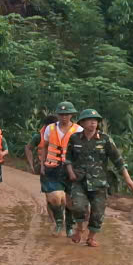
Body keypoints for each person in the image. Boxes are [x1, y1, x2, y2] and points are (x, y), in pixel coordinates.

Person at [65, 108, 133, 247]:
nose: (93, 123)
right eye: (89, 121)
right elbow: (67, 158)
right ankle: (79, 229)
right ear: (82, 123)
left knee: (98, 212)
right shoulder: (74, 138)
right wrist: (71, 173)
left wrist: (128, 179)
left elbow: (118, 161)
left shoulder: (105, 139)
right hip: (79, 180)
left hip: (99, 182)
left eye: (95, 121)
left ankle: (91, 237)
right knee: (78, 206)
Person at [38, 101, 82, 237]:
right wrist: (42, 163)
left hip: (70, 169)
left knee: (70, 200)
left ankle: (69, 226)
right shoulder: (50, 128)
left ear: (71, 115)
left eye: (67, 114)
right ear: (57, 115)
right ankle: (58, 222)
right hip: (52, 167)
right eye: (61, 114)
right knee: (55, 198)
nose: (64, 117)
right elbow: (44, 146)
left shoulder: (79, 130)